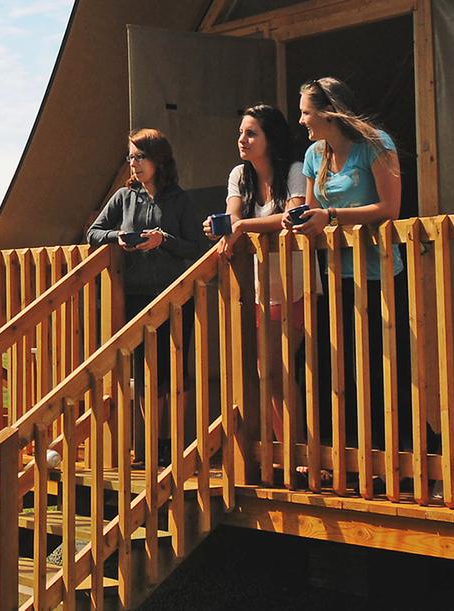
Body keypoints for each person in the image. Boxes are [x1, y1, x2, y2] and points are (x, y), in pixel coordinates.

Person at [289, 77, 412, 470]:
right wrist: (303, 220)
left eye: (307, 111)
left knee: (379, 365)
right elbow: (312, 209)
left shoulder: (375, 143)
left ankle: (388, 458)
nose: (302, 119)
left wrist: (332, 216)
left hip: (379, 276)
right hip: (335, 277)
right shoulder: (314, 154)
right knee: (327, 362)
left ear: (329, 112)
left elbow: (390, 209)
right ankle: (337, 454)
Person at [86, 128, 209, 467]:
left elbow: (196, 247)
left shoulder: (178, 198)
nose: (134, 164)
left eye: (140, 157)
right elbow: (93, 232)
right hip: (137, 295)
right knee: (145, 374)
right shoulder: (124, 198)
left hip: (174, 294)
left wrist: (164, 239)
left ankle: (174, 443)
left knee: (174, 372)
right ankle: (151, 445)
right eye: (131, 157)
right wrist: (119, 237)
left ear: (158, 159)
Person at [201, 104, 307, 455]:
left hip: (295, 282)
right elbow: (232, 218)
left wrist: (242, 226)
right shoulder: (239, 175)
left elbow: (290, 216)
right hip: (260, 287)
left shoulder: (293, 171)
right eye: (241, 133)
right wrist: (220, 228)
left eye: (251, 133)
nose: (242, 140)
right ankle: (288, 447)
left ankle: (301, 448)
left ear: (270, 138)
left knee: (282, 368)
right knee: (267, 372)